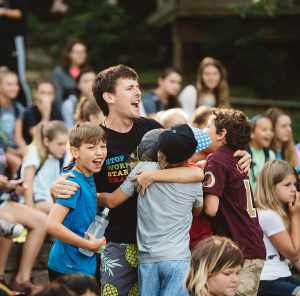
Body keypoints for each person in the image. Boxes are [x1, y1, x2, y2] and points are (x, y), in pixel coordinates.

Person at [50, 65, 251, 295]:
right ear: (109, 97)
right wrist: (55, 187)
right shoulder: (96, 140)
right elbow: (69, 182)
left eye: (137, 86)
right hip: (116, 243)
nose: (138, 92)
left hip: (160, 245)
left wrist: (241, 153)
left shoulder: (153, 130)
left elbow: (201, 153)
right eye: (129, 88)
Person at [99, 124, 210, 295]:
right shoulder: (193, 180)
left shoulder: (142, 170)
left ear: (160, 153)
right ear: (190, 155)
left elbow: (112, 201)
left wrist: (93, 194)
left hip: (147, 260)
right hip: (178, 258)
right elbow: (197, 211)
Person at [203, 108, 266, 296]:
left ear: (222, 134)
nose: (203, 130)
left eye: (207, 127)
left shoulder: (217, 160)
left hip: (241, 249)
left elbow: (211, 208)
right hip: (252, 245)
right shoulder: (235, 157)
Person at [46, 122, 107, 281]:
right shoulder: (72, 183)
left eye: (102, 146)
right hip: (68, 268)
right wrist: (88, 245)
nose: (99, 152)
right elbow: (52, 225)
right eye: (91, 148)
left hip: (84, 265)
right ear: (75, 151)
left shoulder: (86, 174)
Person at [255, 160, 300, 296]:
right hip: (266, 280)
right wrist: (296, 216)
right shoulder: (268, 215)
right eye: (287, 185)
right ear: (270, 187)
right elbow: (293, 253)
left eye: (295, 184)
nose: (294, 189)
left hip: (283, 275)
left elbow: (296, 261)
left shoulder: (282, 213)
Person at [0, 177, 47, 294]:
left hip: (2, 202)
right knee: (7, 220)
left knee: (42, 220)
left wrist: (10, 186)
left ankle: (21, 280)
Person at [21, 121, 69, 214]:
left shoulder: (59, 156)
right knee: (62, 215)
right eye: (60, 144)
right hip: (36, 201)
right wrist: (30, 213)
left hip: (51, 200)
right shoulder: (34, 151)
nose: (63, 148)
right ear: (46, 141)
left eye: (65, 144)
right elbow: (27, 184)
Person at [0, 0, 32, 106]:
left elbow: (21, 13)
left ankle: (26, 109)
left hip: (13, 39)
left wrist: (4, 11)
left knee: (18, 76)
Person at [179, 57, 230, 121]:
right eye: (207, 74)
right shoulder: (191, 91)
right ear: (201, 76)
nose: (211, 78)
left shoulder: (220, 95)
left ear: (220, 76)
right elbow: (188, 120)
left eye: (215, 74)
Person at [0, 68, 26, 177]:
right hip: (2, 148)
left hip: (12, 148)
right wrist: (11, 151)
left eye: (16, 84)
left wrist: (26, 150)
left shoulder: (17, 108)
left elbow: (18, 137)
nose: (14, 88)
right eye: (9, 84)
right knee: (18, 163)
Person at [22, 79, 63, 144]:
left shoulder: (56, 110)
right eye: (42, 93)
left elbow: (62, 132)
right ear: (35, 94)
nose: (46, 96)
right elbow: (36, 135)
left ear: (54, 96)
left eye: (49, 93)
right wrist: (45, 115)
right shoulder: (29, 112)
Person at [52, 41, 89, 108]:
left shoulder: (88, 72)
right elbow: (57, 98)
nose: (82, 55)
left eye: (84, 52)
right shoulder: (59, 73)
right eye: (78, 52)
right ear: (69, 54)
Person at [247, 114, 276, 190]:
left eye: (271, 130)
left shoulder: (271, 155)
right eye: (264, 129)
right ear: (252, 133)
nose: (269, 133)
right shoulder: (243, 153)